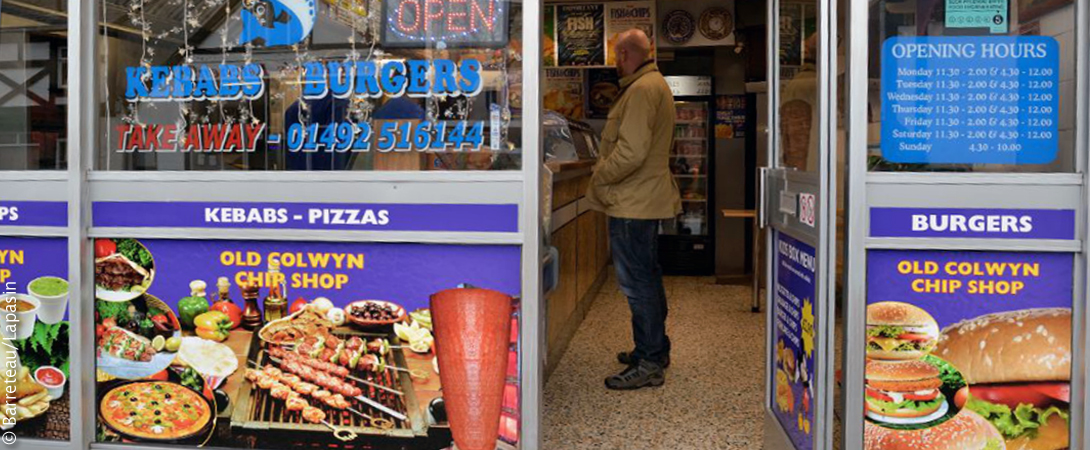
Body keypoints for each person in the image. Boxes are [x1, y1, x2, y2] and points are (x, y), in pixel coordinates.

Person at [586, 29, 681, 390]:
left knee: (637, 283)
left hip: (632, 202)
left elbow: (631, 152)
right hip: (642, 199)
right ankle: (655, 349)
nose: (614, 62)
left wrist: (599, 175)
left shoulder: (641, 90)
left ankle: (649, 360)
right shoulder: (651, 85)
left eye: (616, 54)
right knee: (648, 278)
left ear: (626, 53)